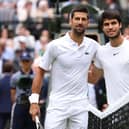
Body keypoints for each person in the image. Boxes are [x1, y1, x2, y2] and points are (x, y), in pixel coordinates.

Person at [29, 4, 99, 129]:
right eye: (77, 19)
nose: (80, 22)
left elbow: (108, 60)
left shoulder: (94, 46)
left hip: (81, 106)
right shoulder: (55, 45)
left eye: (83, 19)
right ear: (70, 21)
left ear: (88, 22)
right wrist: (34, 101)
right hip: (57, 105)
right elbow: (40, 72)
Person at [89, 10, 129, 108]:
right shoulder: (101, 52)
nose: (110, 27)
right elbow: (93, 79)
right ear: (102, 28)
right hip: (114, 112)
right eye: (106, 24)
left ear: (120, 25)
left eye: (113, 23)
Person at [10, 51, 36, 129]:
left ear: (31, 62)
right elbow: (12, 93)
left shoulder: (35, 76)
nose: (25, 63)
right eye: (23, 61)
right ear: (20, 62)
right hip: (20, 104)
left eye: (27, 61)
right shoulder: (15, 77)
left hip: (32, 105)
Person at [0, 61, 13, 129]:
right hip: (11, 108)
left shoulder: (1, 81)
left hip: (1, 109)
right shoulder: (14, 81)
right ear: (11, 70)